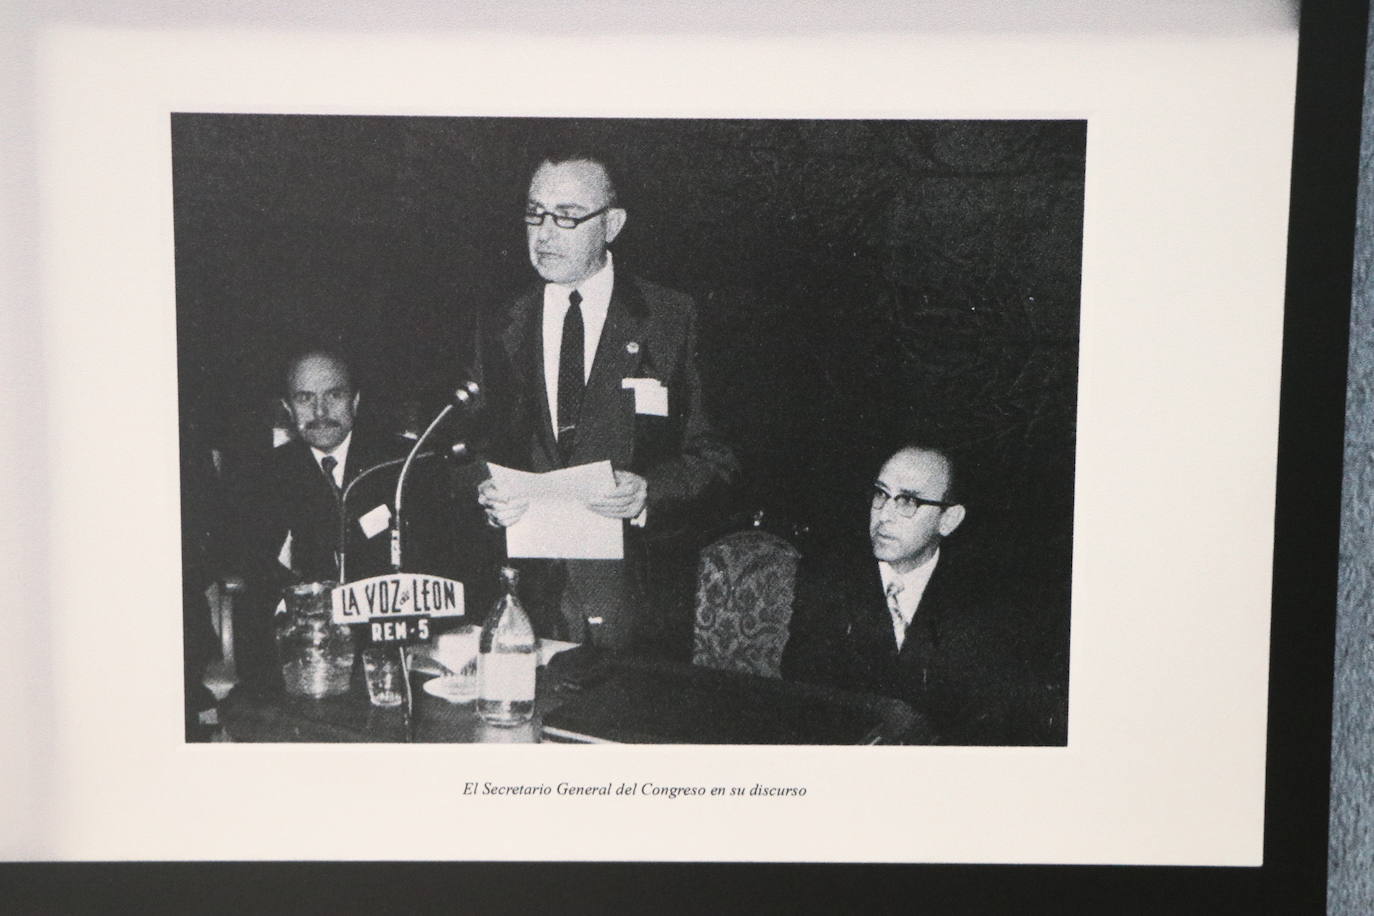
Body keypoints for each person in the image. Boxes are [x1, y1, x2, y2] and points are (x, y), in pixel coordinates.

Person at [474, 151, 738, 653]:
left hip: (636, 606)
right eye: (534, 214)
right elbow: (464, 451)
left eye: (568, 216)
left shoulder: (671, 318)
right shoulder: (502, 319)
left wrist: (648, 492)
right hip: (528, 610)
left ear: (611, 224)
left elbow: (717, 460)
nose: (544, 234)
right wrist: (485, 495)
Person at [226, 349, 476, 687]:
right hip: (307, 649)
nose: (320, 412)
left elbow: (443, 563)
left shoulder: (406, 464)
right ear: (287, 409)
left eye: (334, 395)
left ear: (355, 402)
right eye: (304, 398)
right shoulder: (264, 476)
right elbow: (257, 573)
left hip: (392, 651)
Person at [781, 444, 1061, 745]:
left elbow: (989, 719)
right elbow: (804, 692)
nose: (884, 514)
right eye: (880, 494)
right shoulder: (828, 579)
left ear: (948, 520)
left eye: (908, 501)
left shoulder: (986, 601)